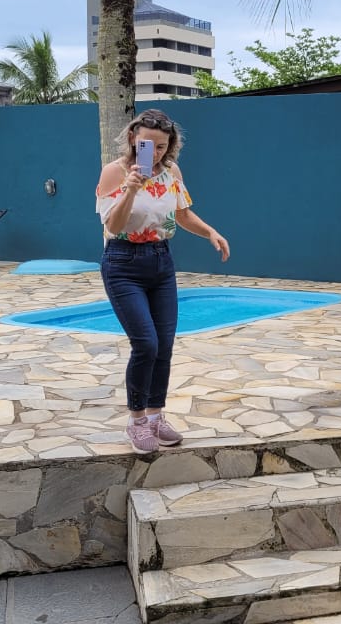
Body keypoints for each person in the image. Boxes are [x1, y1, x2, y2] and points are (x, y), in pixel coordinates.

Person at [95, 109, 230, 454]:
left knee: (164, 346)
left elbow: (182, 214)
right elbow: (113, 226)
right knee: (146, 344)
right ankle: (137, 421)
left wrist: (210, 232)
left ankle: (156, 417)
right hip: (122, 263)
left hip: (160, 261)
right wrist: (129, 189)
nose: (154, 153)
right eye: (148, 145)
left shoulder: (171, 172)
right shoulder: (115, 172)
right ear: (132, 138)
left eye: (161, 146)